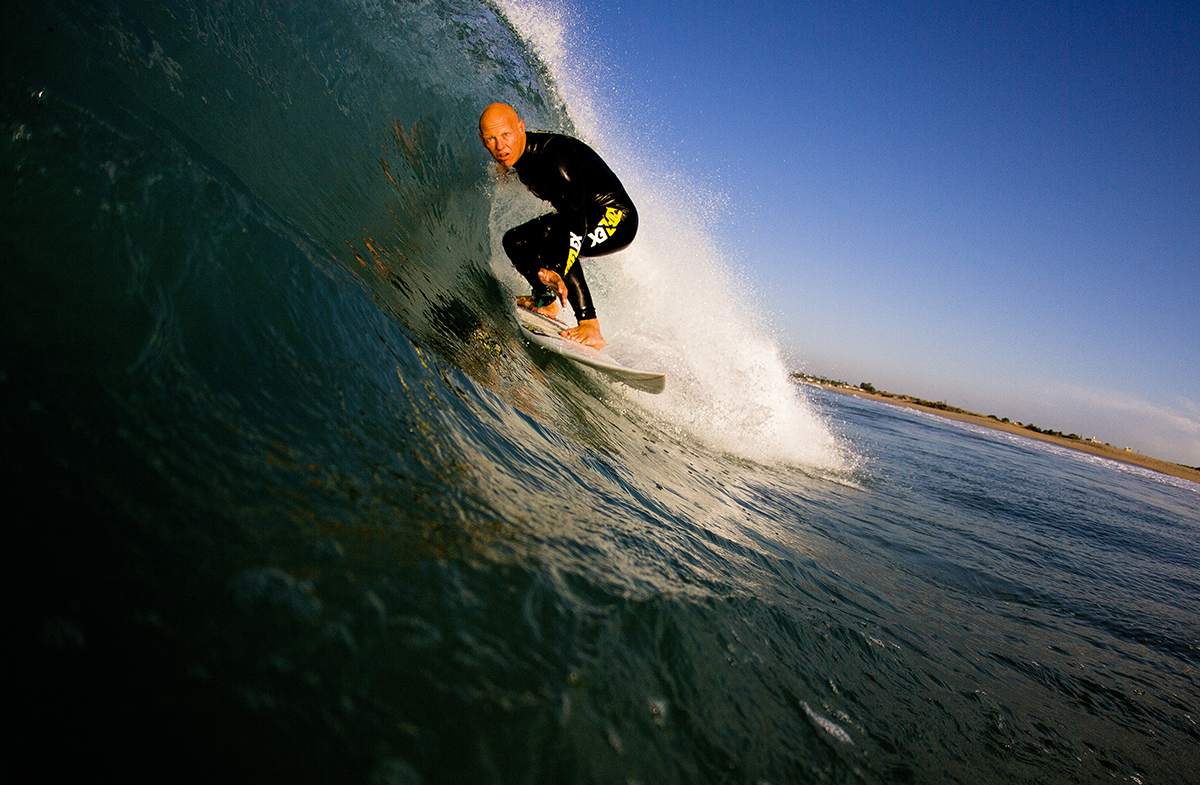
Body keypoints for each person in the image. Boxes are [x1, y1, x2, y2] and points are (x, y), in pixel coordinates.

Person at [478, 103, 637, 349]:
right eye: (491, 139)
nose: (500, 146)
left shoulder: (555, 159)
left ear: (520, 128)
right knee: (515, 241)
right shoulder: (515, 153)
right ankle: (545, 300)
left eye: (506, 135)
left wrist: (557, 269)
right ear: (482, 140)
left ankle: (590, 325)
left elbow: (575, 224)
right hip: (579, 215)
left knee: (558, 243)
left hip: (616, 218)